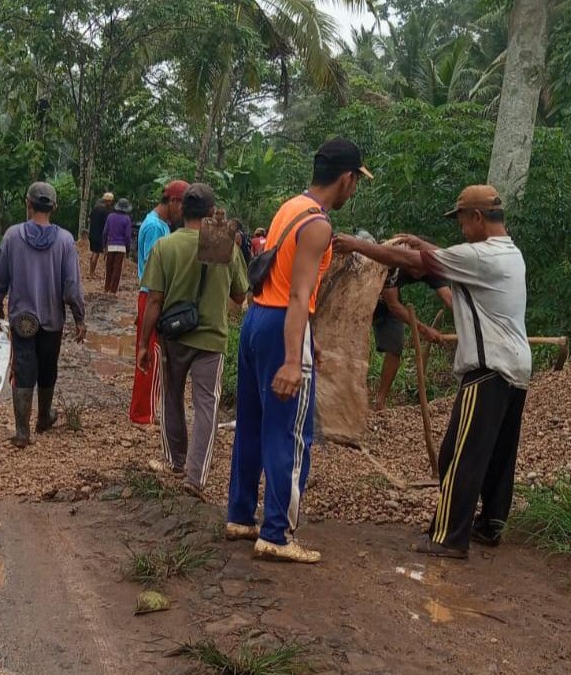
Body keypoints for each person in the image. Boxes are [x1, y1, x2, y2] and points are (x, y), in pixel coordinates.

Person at [333, 184, 531, 559]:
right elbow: (438, 254)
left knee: (459, 455)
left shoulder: (482, 256)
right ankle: (490, 526)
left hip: (488, 370)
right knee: (497, 456)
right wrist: (417, 239)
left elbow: (417, 263)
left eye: (461, 221)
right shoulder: (510, 252)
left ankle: (448, 538)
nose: (460, 229)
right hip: (515, 368)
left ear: (476, 218)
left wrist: (357, 245)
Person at [226, 138, 372, 564]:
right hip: (280, 325)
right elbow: (298, 294)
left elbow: (278, 279)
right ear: (346, 179)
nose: (354, 190)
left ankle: (240, 516)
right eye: (356, 182)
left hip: (257, 320)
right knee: (289, 432)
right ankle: (277, 532)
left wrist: (310, 342)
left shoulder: (290, 208)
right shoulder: (318, 225)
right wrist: (294, 358)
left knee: (253, 422)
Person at [137, 184, 248, 499]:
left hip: (173, 336)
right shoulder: (222, 244)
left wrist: (145, 344)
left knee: (171, 397)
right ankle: (196, 477)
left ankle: (176, 460)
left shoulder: (165, 246)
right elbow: (240, 295)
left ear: (182, 210)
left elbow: (154, 300)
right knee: (206, 406)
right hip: (210, 338)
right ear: (212, 212)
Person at [0, 181, 88, 448]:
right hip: (52, 318)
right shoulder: (66, 240)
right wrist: (79, 317)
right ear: (54, 207)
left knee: (23, 369)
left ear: (28, 203)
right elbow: (71, 286)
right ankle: (43, 417)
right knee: (48, 367)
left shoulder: (12, 236)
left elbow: (0, 276)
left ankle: (22, 432)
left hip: (22, 318)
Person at [130, 180, 188, 425]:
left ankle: (144, 410)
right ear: (173, 201)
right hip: (153, 294)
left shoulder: (159, 224)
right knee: (150, 354)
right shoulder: (156, 227)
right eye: (183, 206)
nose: (184, 213)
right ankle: (143, 414)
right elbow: (157, 271)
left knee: (150, 352)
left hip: (150, 294)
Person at [372, 263, 453, 411]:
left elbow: (450, 300)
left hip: (386, 303)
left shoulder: (430, 268)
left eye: (421, 271)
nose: (417, 273)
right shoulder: (392, 264)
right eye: (414, 268)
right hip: (364, 297)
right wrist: (424, 329)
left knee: (394, 348)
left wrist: (472, 323)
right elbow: (394, 306)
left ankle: (379, 402)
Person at [103, 198, 134, 294]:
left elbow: (105, 232)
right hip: (121, 247)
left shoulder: (110, 217)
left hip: (111, 245)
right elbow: (128, 236)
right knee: (117, 269)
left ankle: (106, 288)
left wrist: (104, 245)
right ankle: (113, 291)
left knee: (109, 267)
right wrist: (128, 249)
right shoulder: (127, 219)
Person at [88, 192, 114, 278]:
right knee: (96, 253)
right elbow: (107, 224)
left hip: (92, 233)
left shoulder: (96, 208)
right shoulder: (105, 211)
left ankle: (91, 271)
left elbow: (89, 218)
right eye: (110, 202)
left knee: (93, 253)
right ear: (108, 201)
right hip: (99, 235)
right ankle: (92, 273)